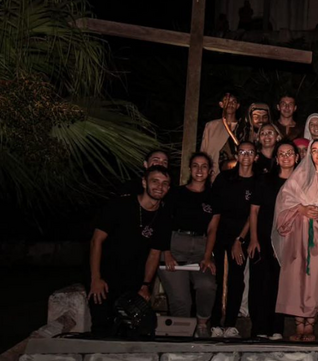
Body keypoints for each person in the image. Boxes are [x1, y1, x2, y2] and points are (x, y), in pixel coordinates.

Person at [90, 166, 171, 335]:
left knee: (132, 331)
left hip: (133, 282)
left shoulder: (164, 215)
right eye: (155, 181)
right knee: (101, 329)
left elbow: (154, 254)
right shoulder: (120, 205)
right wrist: (95, 278)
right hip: (106, 277)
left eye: (165, 183)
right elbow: (97, 240)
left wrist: (145, 285)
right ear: (144, 182)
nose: (160, 187)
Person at [274, 139, 318, 341]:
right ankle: (298, 325)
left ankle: (310, 324)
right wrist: (300, 209)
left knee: (317, 276)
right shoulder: (300, 175)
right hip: (298, 232)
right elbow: (285, 200)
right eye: (314, 150)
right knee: (296, 277)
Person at [157, 153, 218, 338]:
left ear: (210, 170)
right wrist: (166, 253)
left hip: (201, 247)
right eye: (195, 165)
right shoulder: (176, 193)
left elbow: (213, 229)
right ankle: (181, 336)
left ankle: (202, 323)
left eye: (204, 166)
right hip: (175, 245)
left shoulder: (214, 196)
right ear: (190, 169)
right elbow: (164, 223)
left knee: (207, 285)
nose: (199, 170)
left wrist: (207, 256)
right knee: (181, 300)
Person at [244, 141, 298, 340]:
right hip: (264, 238)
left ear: (297, 157)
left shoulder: (300, 183)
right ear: (276, 158)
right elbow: (254, 210)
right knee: (260, 282)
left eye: (290, 153)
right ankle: (259, 328)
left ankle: (277, 328)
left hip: (289, 240)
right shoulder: (264, 180)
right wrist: (253, 239)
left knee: (281, 284)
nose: (286, 157)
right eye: (281, 154)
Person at [208, 141, 259, 338]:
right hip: (221, 235)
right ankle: (215, 323)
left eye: (250, 152)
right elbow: (215, 211)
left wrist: (239, 239)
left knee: (237, 280)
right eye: (242, 152)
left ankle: (230, 323)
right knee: (220, 279)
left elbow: (254, 213)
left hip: (243, 236)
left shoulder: (258, 181)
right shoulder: (225, 178)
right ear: (237, 156)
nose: (246, 156)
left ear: (255, 157)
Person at [201, 91, 241, 177]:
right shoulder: (211, 126)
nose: (230, 104)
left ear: (237, 106)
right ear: (221, 104)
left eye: (233, 101)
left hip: (233, 176)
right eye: (227, 101)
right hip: (212, 175)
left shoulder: (242, 128)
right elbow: (203, 152)